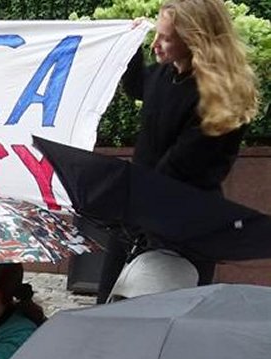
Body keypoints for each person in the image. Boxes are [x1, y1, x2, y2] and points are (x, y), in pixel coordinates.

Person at [97, 0, 261, 301]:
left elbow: (177, 170)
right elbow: (139, 87)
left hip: (181, 226)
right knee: (108, 309)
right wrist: (130, 44)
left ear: (195, 40)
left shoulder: (218, 98)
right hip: (141, 211)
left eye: (166, 38)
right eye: (156, 35)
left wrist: (121, 196)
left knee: (154, 313)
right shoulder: (166, 72)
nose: (155, 45)